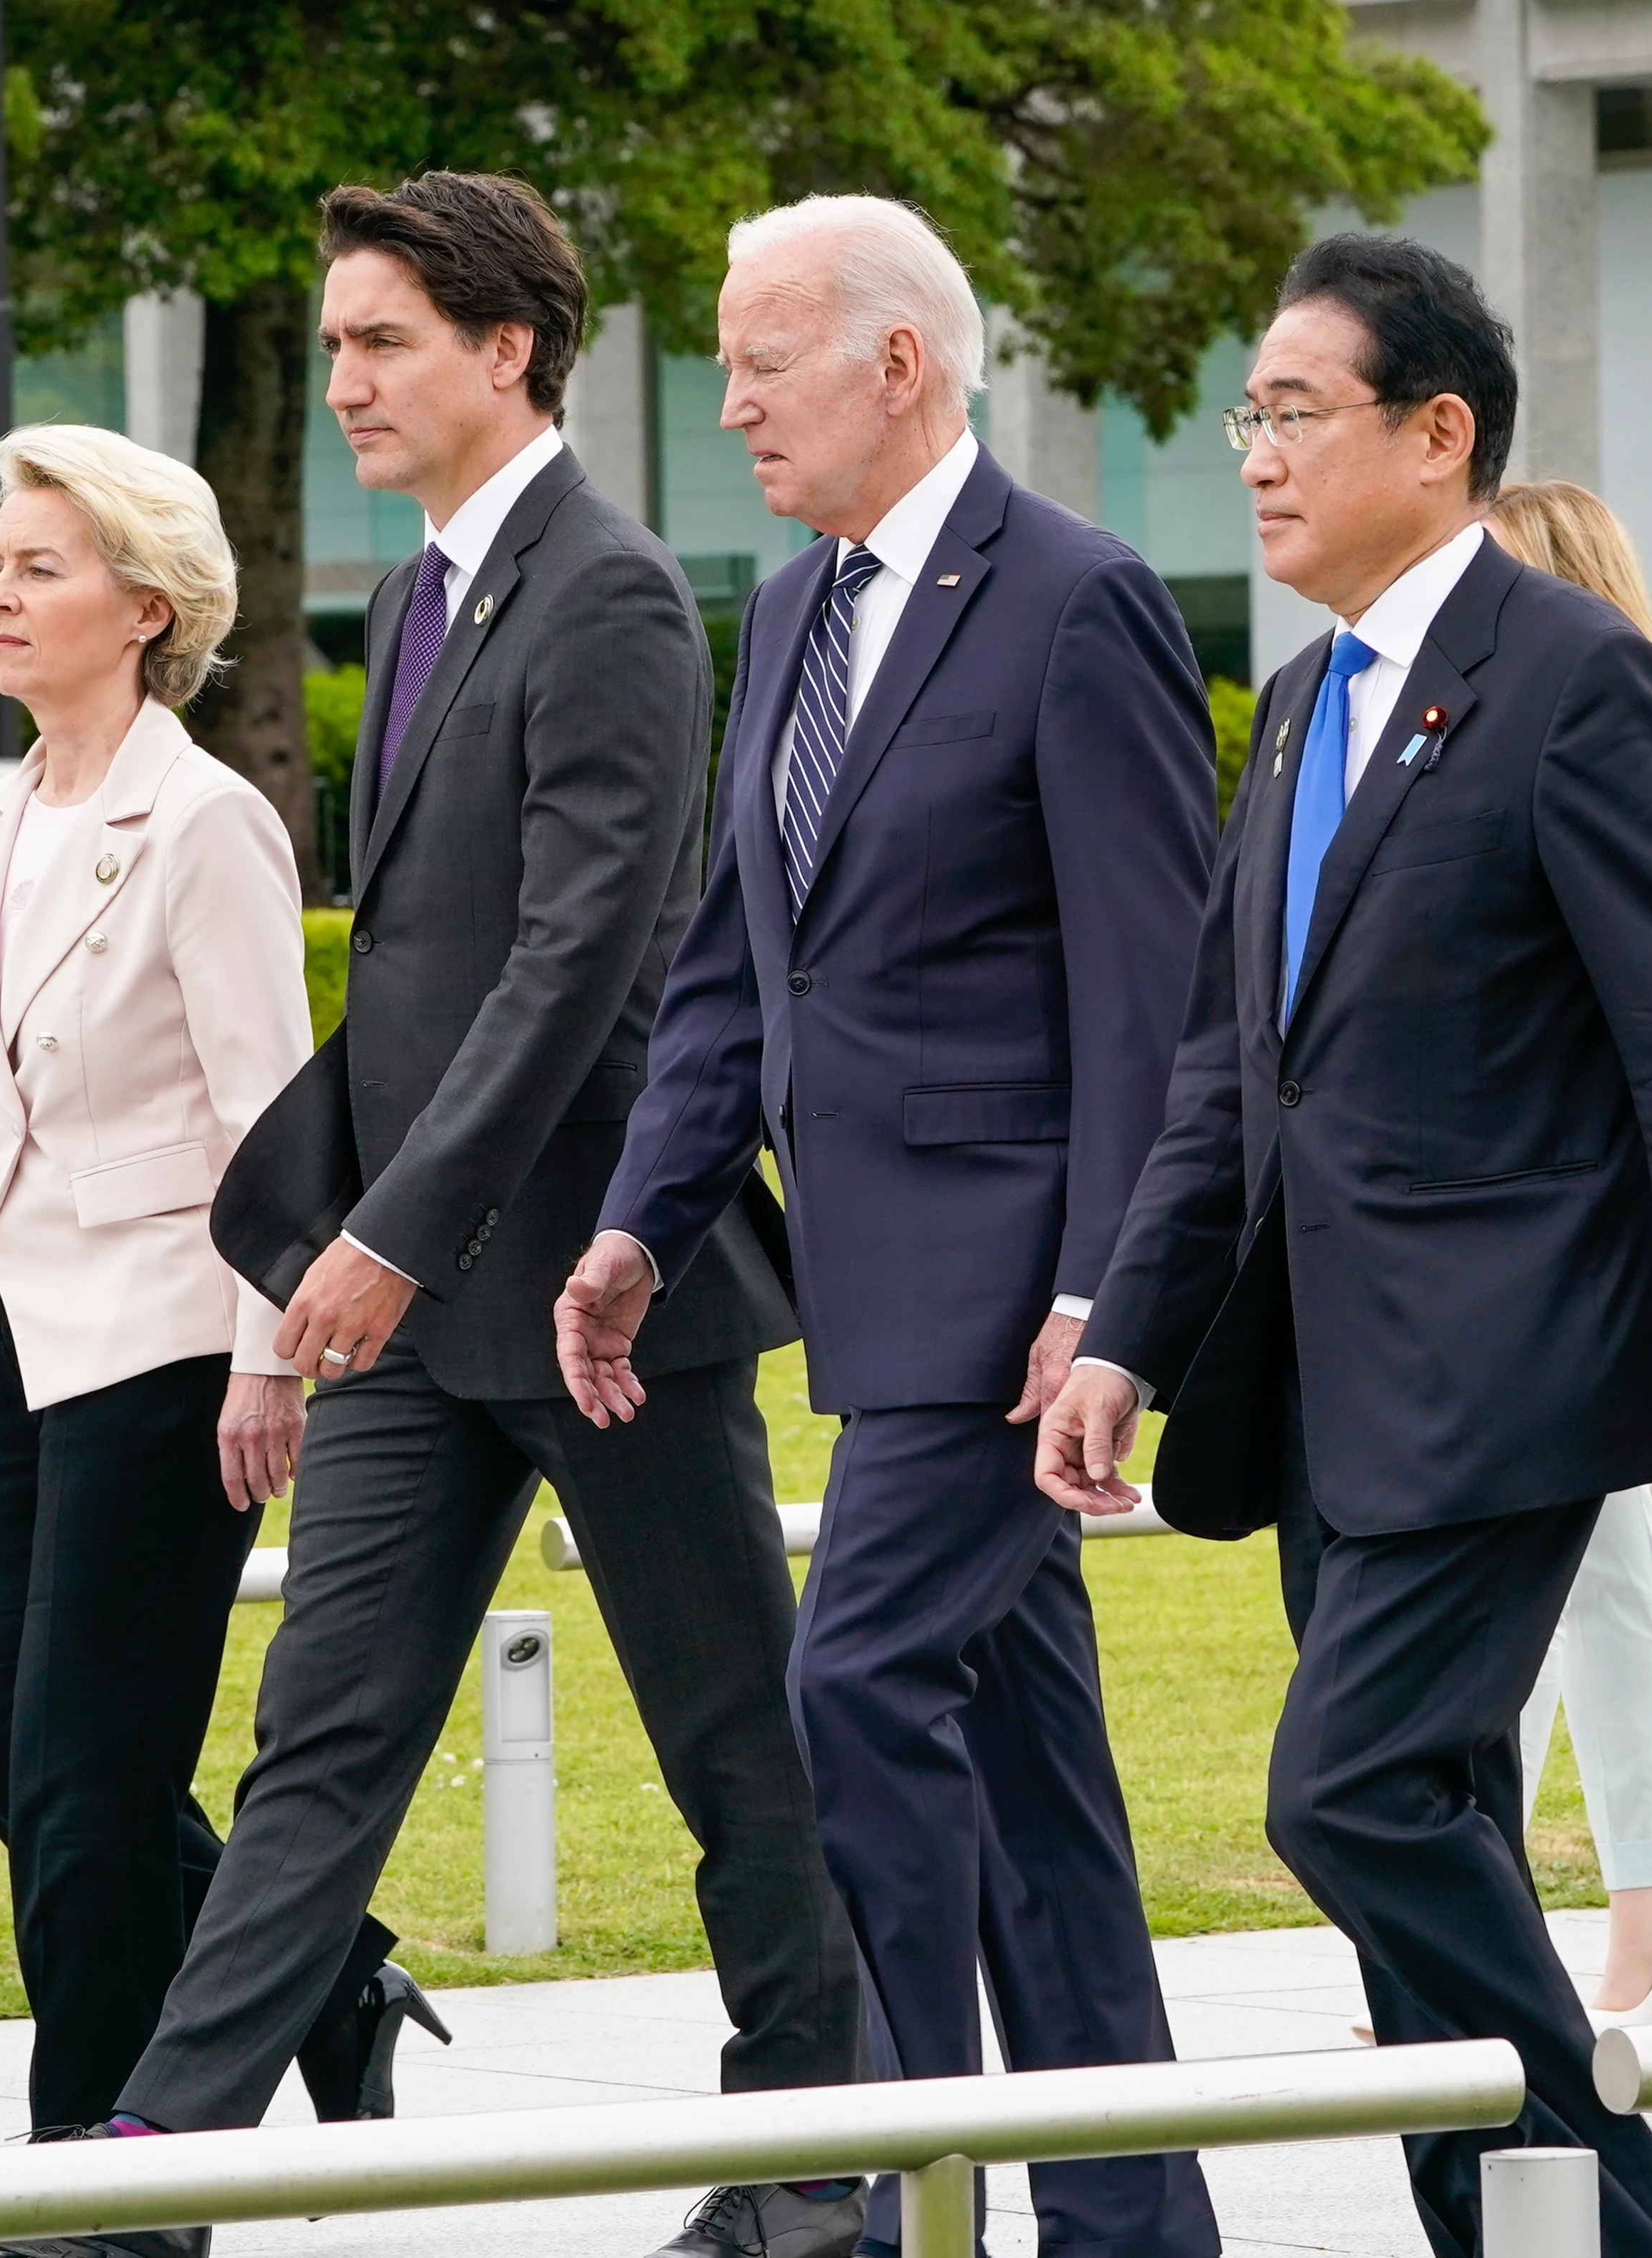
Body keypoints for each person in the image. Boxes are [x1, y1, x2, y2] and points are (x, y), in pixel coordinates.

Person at [24, 175, 868, 2258]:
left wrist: (385, 1228)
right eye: (331, 344)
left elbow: (579, 962)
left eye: (382, 339)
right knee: (317, 1747)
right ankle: (154, 2186)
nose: (342, 381)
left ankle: (817, 2172)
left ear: (508, 350)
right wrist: (373, 1239)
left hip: (605, 1292)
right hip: (416, 1301)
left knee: (734, 1749)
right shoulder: (414, 600)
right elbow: (419, 960)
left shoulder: (615, 595)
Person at [1037, 235, 1652, 2258]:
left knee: (1346, 1797)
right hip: (1324, 1382)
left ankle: (1635, 2217)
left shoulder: (1575, 676)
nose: (1253, 455)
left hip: (1509, 1372)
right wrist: (1126, 1328)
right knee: (1433, 1820)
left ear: (1437, 434)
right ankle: (1511, 2228)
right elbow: (1232, 1073)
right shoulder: (1295, 702)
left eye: (1294, 411)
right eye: (1246, 415)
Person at [559, 194, 1221, 2258]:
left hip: (1010, 1298)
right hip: (868, 1287)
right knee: (1036, 1790)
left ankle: (882, 2188)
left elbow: (1154, 989)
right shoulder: (791, 611)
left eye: (762, 358)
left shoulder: (1078, 601)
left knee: (849, 1687)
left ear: (900, 365)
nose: (730, 397)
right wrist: (639, 1226)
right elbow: (736, 973)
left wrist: (1107, 1286)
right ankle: (1132, 2228)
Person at [0, 423, 353, 2164]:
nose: (0, 589)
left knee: (83, 1790)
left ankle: (98, 2168)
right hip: (22, 1349)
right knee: (15, 1758)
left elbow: (270, 1117)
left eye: (39, 565)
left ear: (143, 607)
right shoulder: (0, 816)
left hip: (165, 1350)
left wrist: (265, 1359)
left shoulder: (204, 822)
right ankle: (327, 1972)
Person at [1472, 479, 1652, 2029]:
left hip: (1617, 1238)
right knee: (1569, 1577)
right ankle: (1581, 1905)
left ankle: (1622, 1907)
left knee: (1582, 1573)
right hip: (1539, 1242)